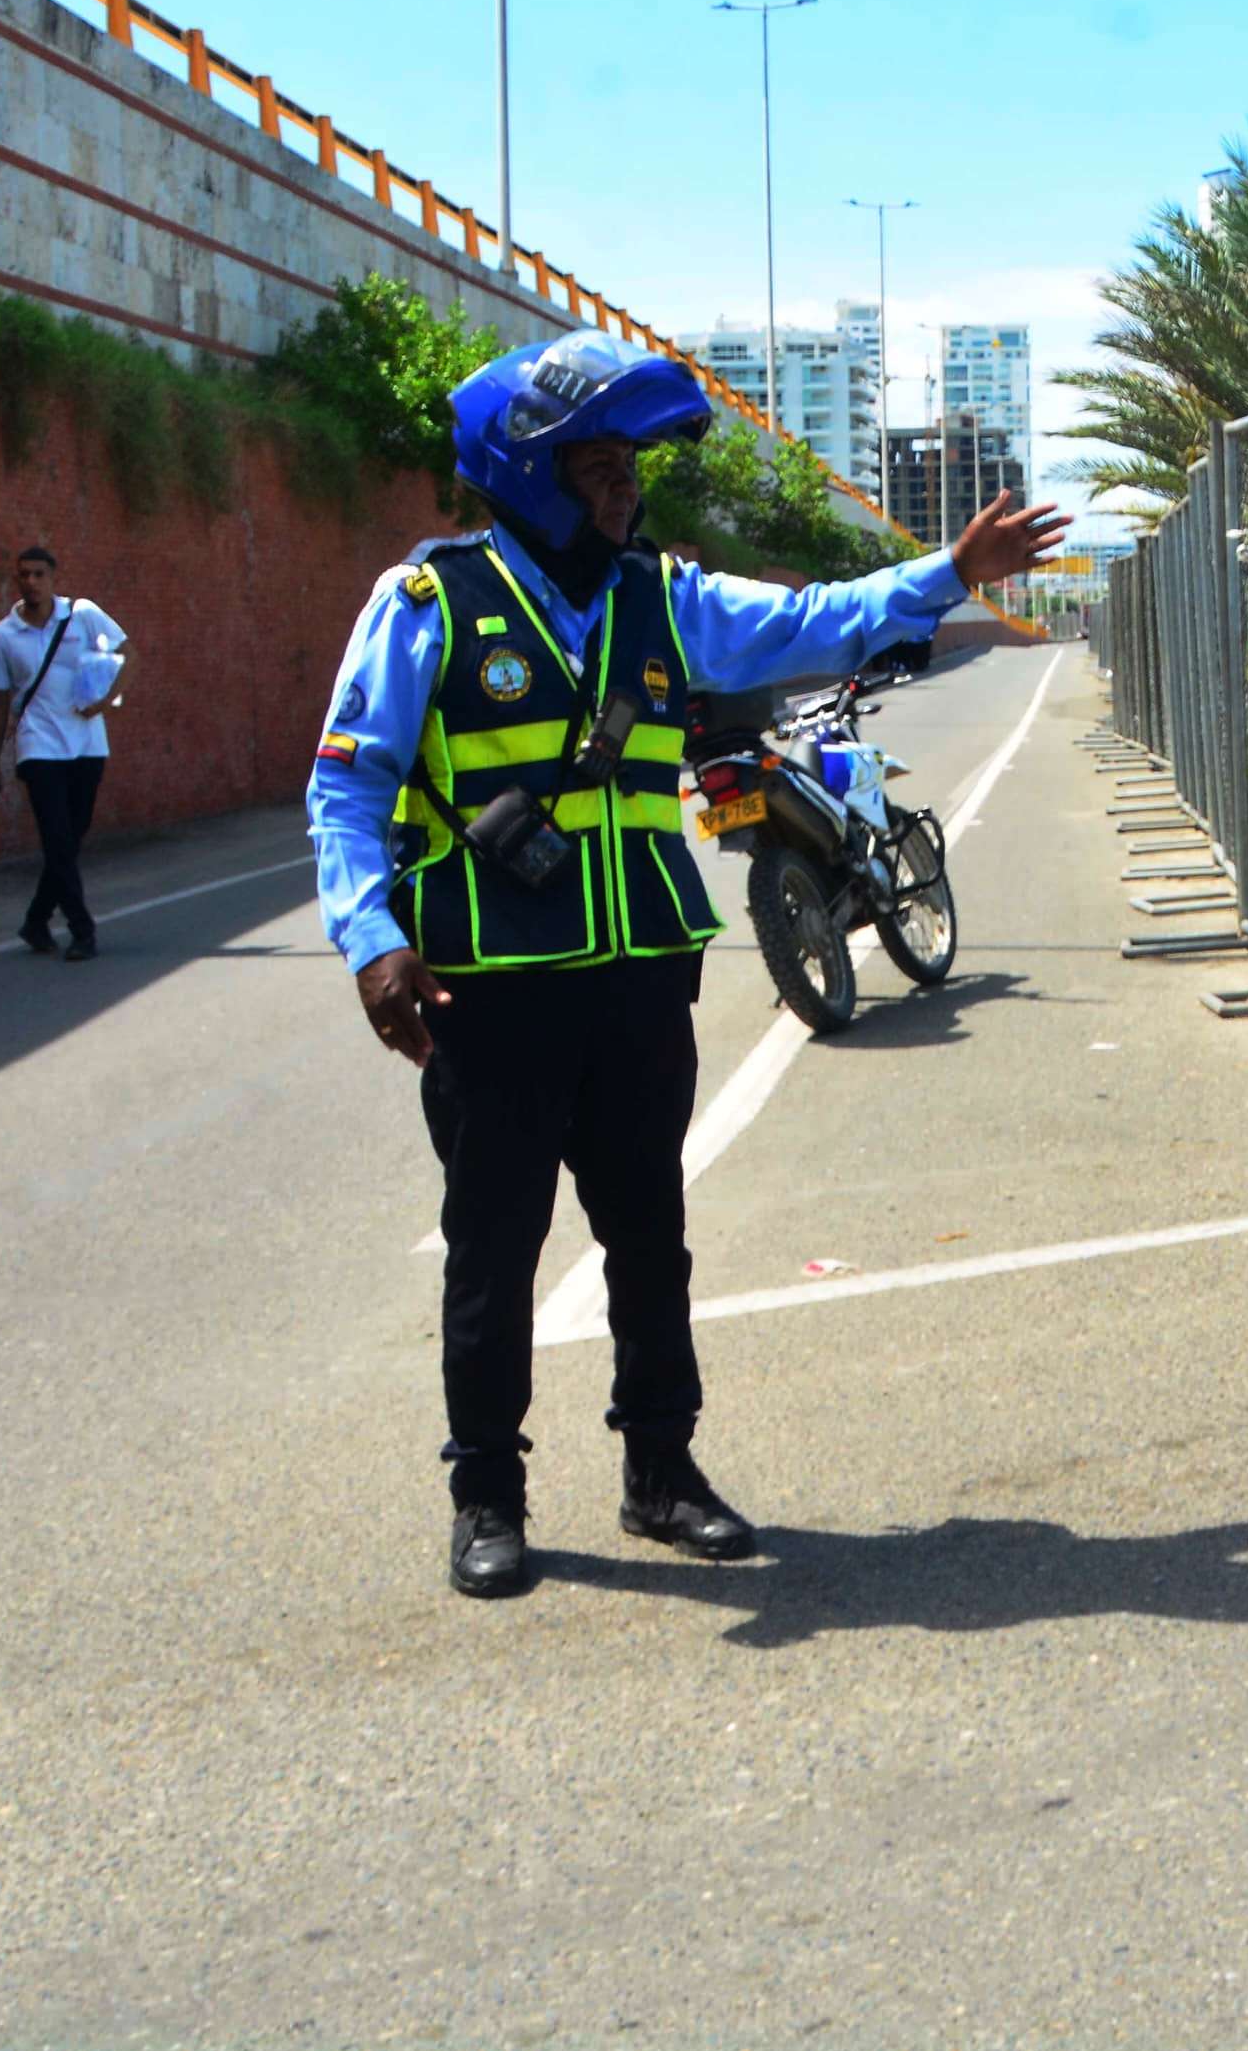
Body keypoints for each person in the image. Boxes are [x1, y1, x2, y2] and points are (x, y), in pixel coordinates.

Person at [308, 330, 1065, 1599]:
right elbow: (345, 791)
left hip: (637, 979)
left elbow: (811, 622)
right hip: (487, 989)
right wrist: (372, 941)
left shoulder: (664, 597)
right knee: (493, 1249)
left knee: (649, 1239)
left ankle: (662, 1472)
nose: (626, 485)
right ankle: (485, 1492)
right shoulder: (428, 604)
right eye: (600, 462)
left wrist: (947, 571)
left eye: (628, 462)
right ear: (532, 470)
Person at [0, 547, 127, 961]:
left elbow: (128, 656)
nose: (30, 582)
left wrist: (105, 701)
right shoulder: (2, 636)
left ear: (53, 577)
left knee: (71, 837)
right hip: (38, 743)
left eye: (39, 574)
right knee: (56, 839)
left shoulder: (82, 615)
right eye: (23, 575)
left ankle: (36, 919)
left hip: (87, 742)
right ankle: (83, 930)